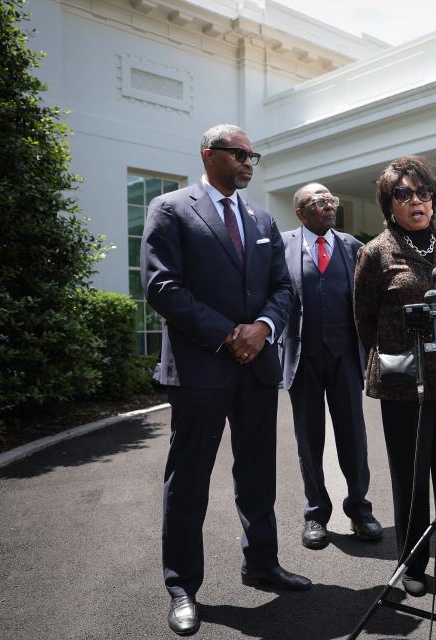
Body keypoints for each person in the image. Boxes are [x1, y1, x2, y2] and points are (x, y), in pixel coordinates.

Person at [141, 124, 308, 637]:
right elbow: (161, 286)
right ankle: (182, 587)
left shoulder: (261, 217)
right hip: (200, 369)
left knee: (258, 473)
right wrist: (227, 335)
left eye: (252, 154)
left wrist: (263, 329)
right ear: (208, 154)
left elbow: (283, 287)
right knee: (189, 480)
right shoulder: (170, 208)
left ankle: (261, 562)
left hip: (257, 366)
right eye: (238, 153)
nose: (248, 162)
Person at [353, 155, 436, 598]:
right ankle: (411, 558)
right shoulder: (375, 253)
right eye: (404, 194)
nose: (416, 201)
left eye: (424, 192)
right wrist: (395, 350)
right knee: (410, 475)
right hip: (403, 383)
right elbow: (364, 319)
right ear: (388, 203)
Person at [278, 183, 383, 551]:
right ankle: (315, 514)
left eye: (331, 200)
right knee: (309, 440)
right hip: (302, 357)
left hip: (345, 358)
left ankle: (359, 509)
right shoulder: (282, 246)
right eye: (319, 202)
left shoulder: (352, 247)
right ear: (300, 211)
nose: (329, 206)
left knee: (353, 436)